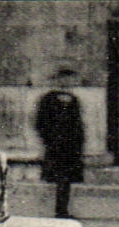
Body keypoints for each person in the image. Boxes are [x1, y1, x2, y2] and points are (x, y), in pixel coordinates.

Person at [35, 79, 85, 218]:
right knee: (60, 178)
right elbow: (41, 122)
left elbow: (78, 124)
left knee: (66, 179)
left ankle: (62, 209)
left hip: (71, 146)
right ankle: (60, 209)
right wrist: (48, 139)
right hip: (55, 145)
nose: (67, 85)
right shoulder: (48, 100)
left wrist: (79, 144)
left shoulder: (73, 100)